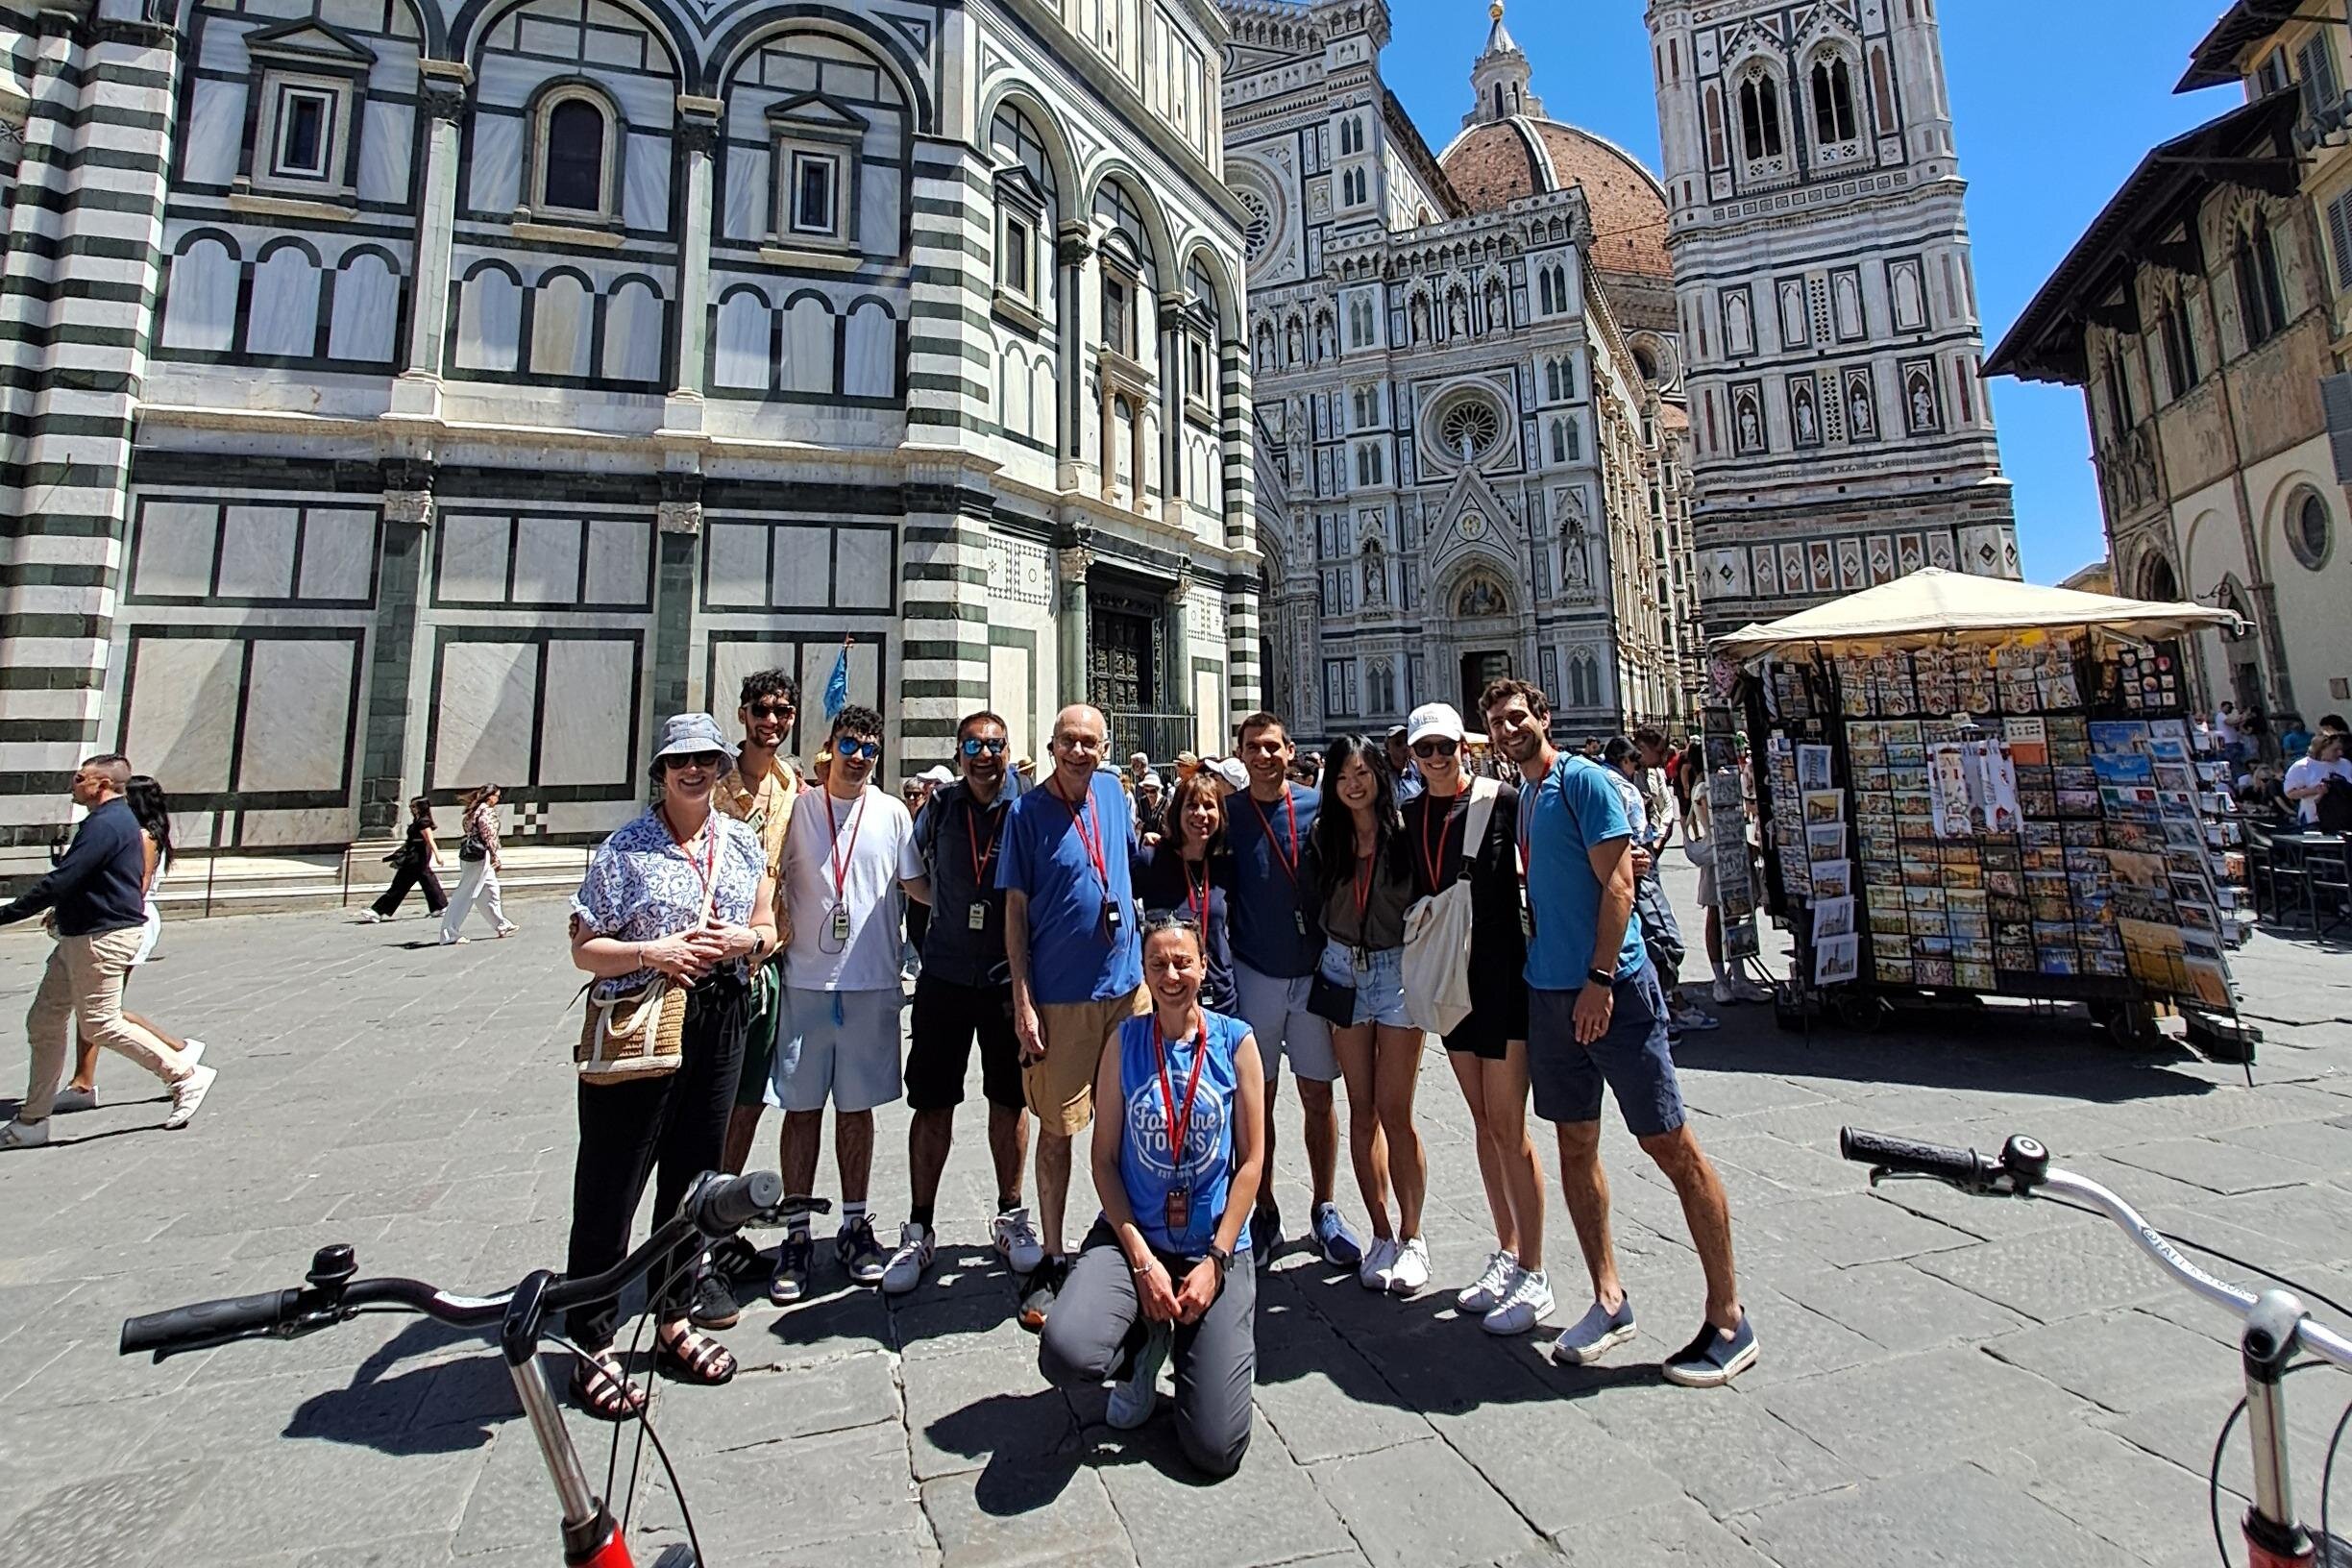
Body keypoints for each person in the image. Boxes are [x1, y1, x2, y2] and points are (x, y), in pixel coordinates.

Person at [1483, 679, 1757, 1387]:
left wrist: (1600, 981)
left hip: (1611, 991)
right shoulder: (1528, 797)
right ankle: (1609, 1300)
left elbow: (1619, 886)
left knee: (1669, 1144)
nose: (1508, 730)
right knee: (1575, 1143)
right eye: (1498, 722)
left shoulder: (1585, 781)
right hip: (1549, 993)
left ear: (1544, 717)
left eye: (1517, 718)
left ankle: (1729, 1317)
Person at [563, 713, 774, 1416]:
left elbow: (769, 927)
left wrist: (745, 941)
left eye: (706, 760)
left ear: (721, 768)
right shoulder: (625, 849)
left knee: (694, 1178)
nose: (694, 770)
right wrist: (651, 952)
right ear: (660, 772)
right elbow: (584, 948)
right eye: (680, 761)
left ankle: (673, 1316)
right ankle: (591, 1341)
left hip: (721, 1013)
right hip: (645, 1019)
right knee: (613, 1181)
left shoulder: (739, 842)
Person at [1037, 915, 1264, 1478]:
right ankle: (1141, 1347)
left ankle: (1199, 1347)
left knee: (1215, 1449)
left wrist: (1216, 1261)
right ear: (1143, 971)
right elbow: (1103, 1160)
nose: (1171, 975)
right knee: (1065, 1351)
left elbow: (1252, 1163)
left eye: (1183, 962)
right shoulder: (1125, 1042)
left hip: (1213, 1247)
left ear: (1204, 967)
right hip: (1135, 1238)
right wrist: (1141, 1262)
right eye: (1158, 964)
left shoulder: (1237, 1043)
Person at [1398, 704, 1549, 1334]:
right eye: (1425, 749)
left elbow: (1545, 866)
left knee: (1509, 1127)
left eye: (1445, 746)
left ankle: (1535, 1272)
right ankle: (1507, 1250)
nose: (1437, 758)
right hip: (1452, 980)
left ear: (1464, 745)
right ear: (1412, 755)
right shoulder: (1409, 816)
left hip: (1503, 976)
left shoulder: (1503, 800)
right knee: (1484, 1122)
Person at [768, 704, 927, 1302]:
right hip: (805, 981)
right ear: (829, 746)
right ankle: (797, 1232)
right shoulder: (797, 809)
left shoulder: (891, 813)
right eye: (849, 744)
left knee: (857, 1112)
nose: (858, 756)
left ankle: (855, 1226)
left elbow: (916, 885)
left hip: (871, 981)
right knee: (801, 1110)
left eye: (869, 748)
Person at [887, 711, 1041, 1296]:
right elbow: (910, 874)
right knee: (932, 1102)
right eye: (973, 746)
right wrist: (951, 911)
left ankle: (1010, 1214)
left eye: (995, 746)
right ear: (958, 754)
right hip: (945, 976)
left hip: (1006, 980)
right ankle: (919, 1227)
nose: (984, 756)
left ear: (1009, 751)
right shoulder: (941, 806)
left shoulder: (1027, 806)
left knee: (1010, 1100)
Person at [1001, 703, 1145, 1329]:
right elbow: (1014, 913)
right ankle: (1054, 1256)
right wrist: (1022, 1000)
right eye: (1069, 741)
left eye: (1090, 742)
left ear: (1104, 748)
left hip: (1129, 991)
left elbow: (1131, 865)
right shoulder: (1027, 812)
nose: (1079, 751)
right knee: (1058, 1128)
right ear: (1052, 747)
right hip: (1061, 998)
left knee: (1138, 1123)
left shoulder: (1114, 794)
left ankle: (1132, 1240)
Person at [2, 757, 217, 1148]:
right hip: (81, 935)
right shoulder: (109, 821)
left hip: (102, 937)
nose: (73, 783)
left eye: (79, 777)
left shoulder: (107, 824)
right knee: (45, 1021)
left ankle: (184, 1075)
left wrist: (8, 913)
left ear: (101, 784)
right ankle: (33, 1120)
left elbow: (63, 879)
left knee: (101, 1022)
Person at [1228, 713, 1360, 1271]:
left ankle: (1324, 1206)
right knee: (1256, 1100)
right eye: (1253, 748)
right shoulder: (1227, 814)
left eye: (1272, 747)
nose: (1263, 757)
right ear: (1240, 754)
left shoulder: (1318, 808)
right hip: (1253, 972)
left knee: (1318, 1095)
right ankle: (1263, 1208)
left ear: (1290, 751)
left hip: (1312, 973)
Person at [698, 671, 802, 1327]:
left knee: (747, 1101)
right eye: (762, 710)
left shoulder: (792, 784)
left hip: (770, 965)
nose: (772, 721)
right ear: (742, 715)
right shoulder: (709, 783)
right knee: (704, 1108)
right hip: (712, 970)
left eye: (782, 711)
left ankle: (719, 1228)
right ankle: (691, 1255)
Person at [1311, 733, 1429, 1296]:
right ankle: (1381, 1233)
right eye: (1342, 776)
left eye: (1362, 773)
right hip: (1342, 972)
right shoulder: (1324, 835)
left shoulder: (1405, 833)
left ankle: (1413, 1236)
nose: (1353, 785)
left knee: (1395, 1110)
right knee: (1362, 1110)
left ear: (1379, 775)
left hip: (1397, 970)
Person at [58, 774, 208, 1113]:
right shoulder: (137, 833)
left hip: (126, 919)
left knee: (100, 1008)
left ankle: (176, 1054)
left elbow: (136, 886)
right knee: (97, 1006)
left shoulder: (141, 837)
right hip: (125, 917)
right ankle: (84, 1079)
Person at [1609, 738, 1716, 1041]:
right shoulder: (1617, 785)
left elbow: (1663, 807)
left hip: (1642, 862)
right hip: (1636, 869)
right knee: (1660, 940)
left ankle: (1667, 1005)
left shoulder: (1633, 779)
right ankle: (1662, 1010)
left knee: (1653, 939)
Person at [1133, 772, 1238, 1016]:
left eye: (1209, 806)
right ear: (1176, 812)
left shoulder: (1225, 865)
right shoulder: (1152, 860)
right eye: (1191, 805)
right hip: (1168, 993)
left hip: (1219, 994)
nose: (1200, 814)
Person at [440, 783, 517, 943]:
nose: (498, 799)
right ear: (490, 797)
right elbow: (488, 834)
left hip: (471, 854)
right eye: (497, 796)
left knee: (490, 889)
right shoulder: (486, 811)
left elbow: (468, 827)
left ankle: (501, 924)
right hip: (480, 856)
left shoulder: (473, 810)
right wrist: (495, 856)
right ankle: (449, 933)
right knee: (465, 894)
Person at [359, 795, 447, 924]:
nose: (411, 808)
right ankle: (439, 906)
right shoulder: (418, 821)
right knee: (427, 881)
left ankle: (378, 911)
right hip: (415, 855)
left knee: (401, 884)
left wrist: (438, 856)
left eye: (413, 806)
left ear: (420, 807)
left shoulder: (423, 822)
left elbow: (430, 839)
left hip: (417, 857)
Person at [2285, 731, 2352, 828]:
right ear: (2322, 749)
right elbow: (2290, 793)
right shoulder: (2302, 766)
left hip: (2344, 818)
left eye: (2341, 749)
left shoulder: (2346, 764)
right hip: (2313, 819)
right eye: (2335, 750)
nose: (2340, 753)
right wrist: (2315, 790)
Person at [1384, 725, 1424, 804]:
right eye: (1398, 743)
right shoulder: (1381, 773)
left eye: (1406, 741)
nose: (1404, 747)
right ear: (1388, 748)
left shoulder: (1420, 768)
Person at [1134, 772, 1168, 842]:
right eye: (1146, 791)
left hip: (1160, 841)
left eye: (1152, 791)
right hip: (1143, 841)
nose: (1149, 794)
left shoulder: (1165, 803)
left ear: (1157, 789)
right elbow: (1135, 819)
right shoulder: (1140, 802)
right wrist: (1138, 823)